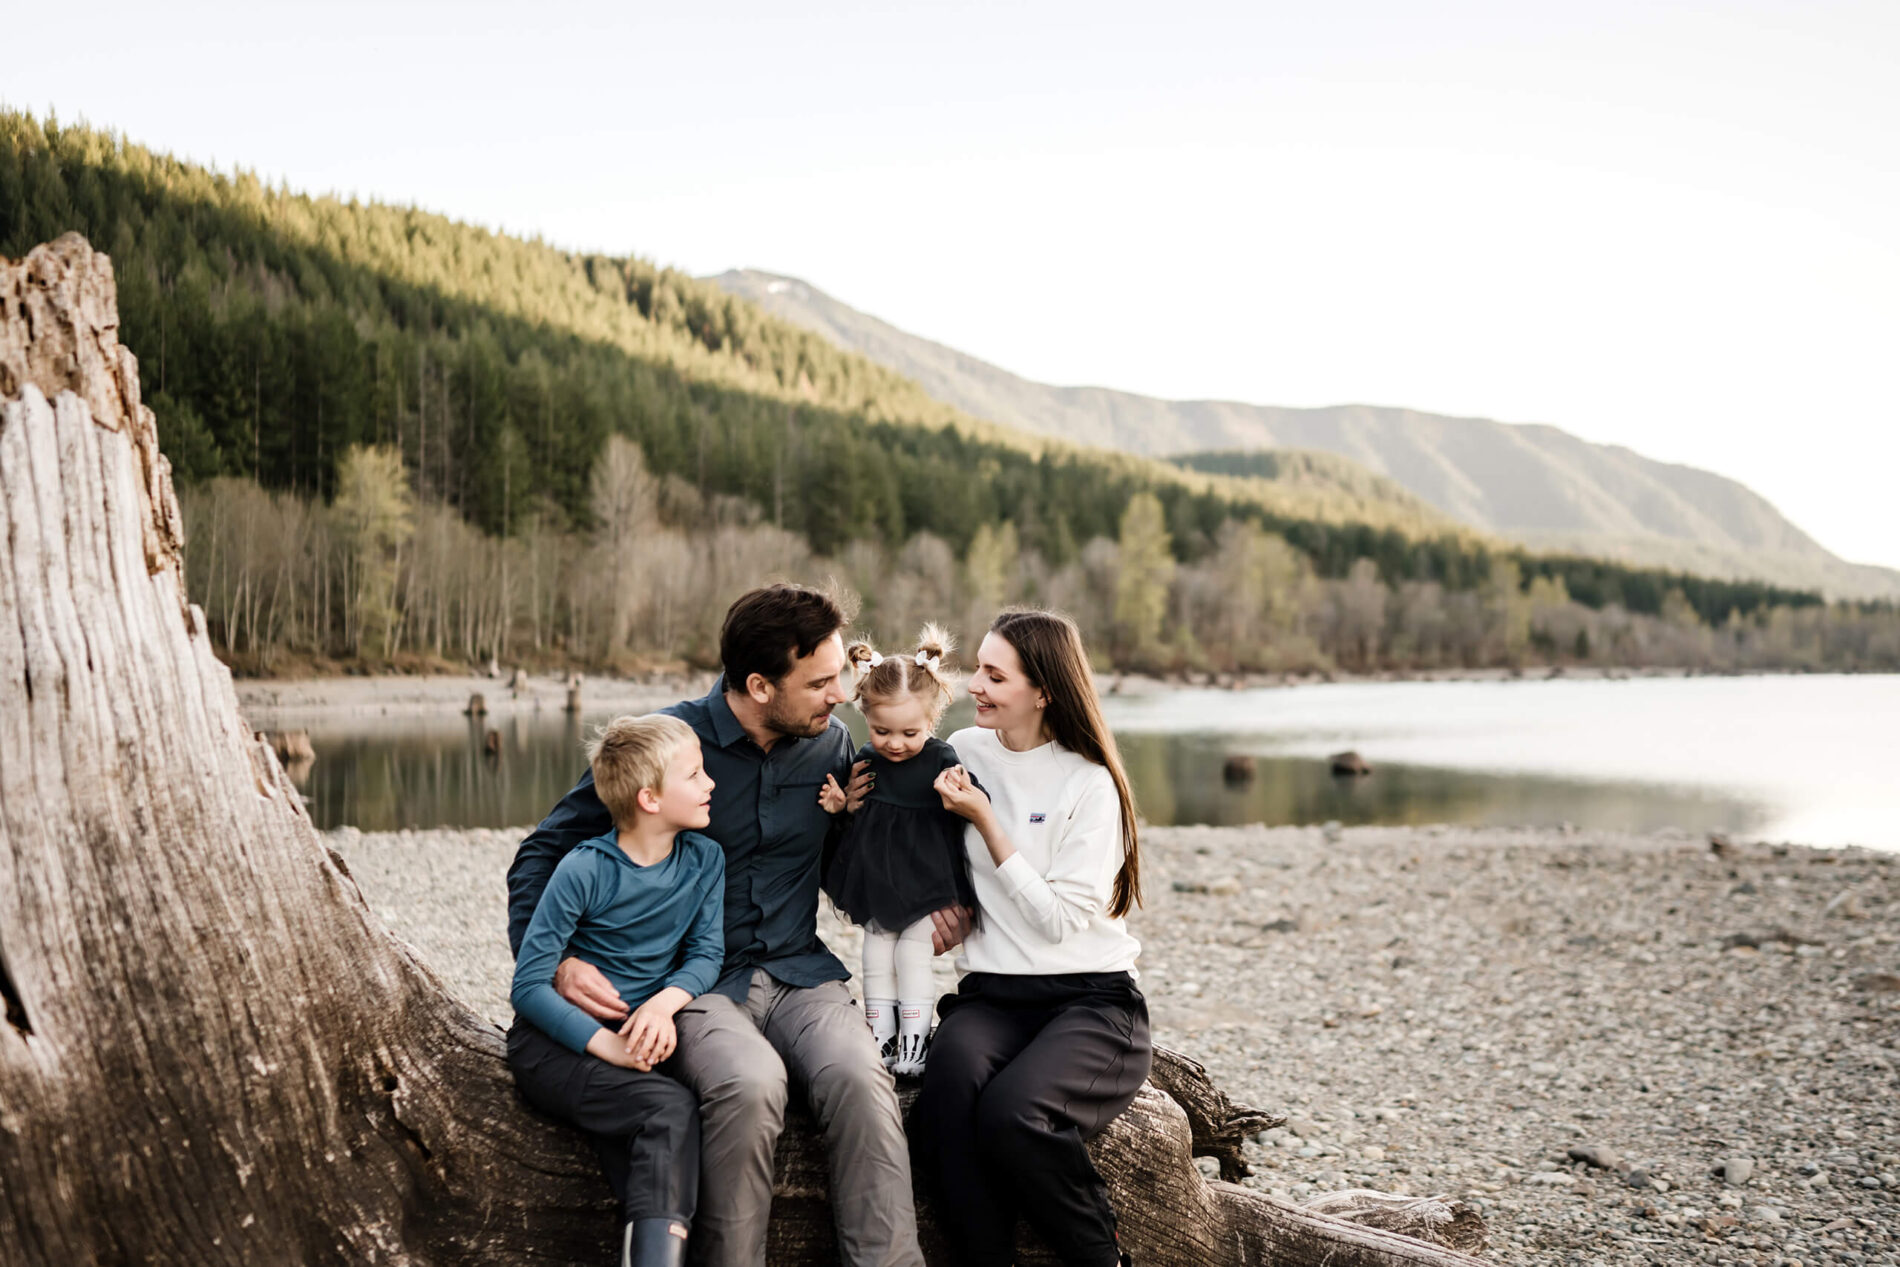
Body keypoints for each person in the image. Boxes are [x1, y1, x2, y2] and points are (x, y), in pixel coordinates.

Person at [507, 584, 941, 1267]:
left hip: (803, 971)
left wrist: (926, 892)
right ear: (760, 685)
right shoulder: (667, 748)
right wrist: (556, 962)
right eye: (822, 681)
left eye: (840, 678)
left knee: (861, 1076)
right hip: (699, 981)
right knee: (750, 1083)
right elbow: (542, 851)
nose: (840, 696)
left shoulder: (830, 746)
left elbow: (841, 870)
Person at [911, 608, 1151, 1267]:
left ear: (1043, 690)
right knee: (947, 1096)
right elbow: (915, 846)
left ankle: (1103, 1255)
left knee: (1014, 1114)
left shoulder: (1089, 782)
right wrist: (939, 906)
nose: (975, 687)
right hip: (991, 996)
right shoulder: (963, 752)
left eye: (994, 675)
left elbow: (1058, 920)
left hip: (1092, 1002)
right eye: (977, 670)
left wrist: (987, 820)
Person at [508, 713, 723, 1267]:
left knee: (671, 1119)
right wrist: (610, 1048)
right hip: (556, 1047)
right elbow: (530, 986)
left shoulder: (705, 861)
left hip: (637, 1035)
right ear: (650, 799)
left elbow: (706, 954)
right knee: (668, 1111)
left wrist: (663, 1003)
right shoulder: (583, 870)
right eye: (695, 775)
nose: (711, 784)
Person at [819, 626, 982, 1075]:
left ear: (933, 720)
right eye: (881, 730)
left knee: (912, 952)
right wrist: (841, 808)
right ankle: (880, 1041)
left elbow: (969, 807)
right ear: (865, 718)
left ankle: (914, 1043)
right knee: (875, 954)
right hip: (877, 880)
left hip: (926, 879)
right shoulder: (866, 760)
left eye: (910, 732)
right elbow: (858, 819)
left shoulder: (941, 759)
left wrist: (965, 795)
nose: (894, 743)